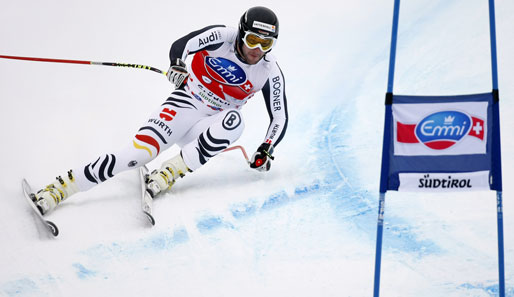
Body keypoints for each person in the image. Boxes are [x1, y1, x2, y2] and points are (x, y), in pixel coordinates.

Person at [32, 6, 289, 215]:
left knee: (235, 121)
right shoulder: (223, 36)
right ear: (242, 33)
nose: (257, 49)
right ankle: (60, 188)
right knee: (137, 155)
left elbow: (279, 115)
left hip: (208, 128)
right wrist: (177, 64)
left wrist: (267, 147)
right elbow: (183, 44)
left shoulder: (269, 70)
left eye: (266, 44)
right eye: (253, 40)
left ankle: (169, 173)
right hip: (185, 104)